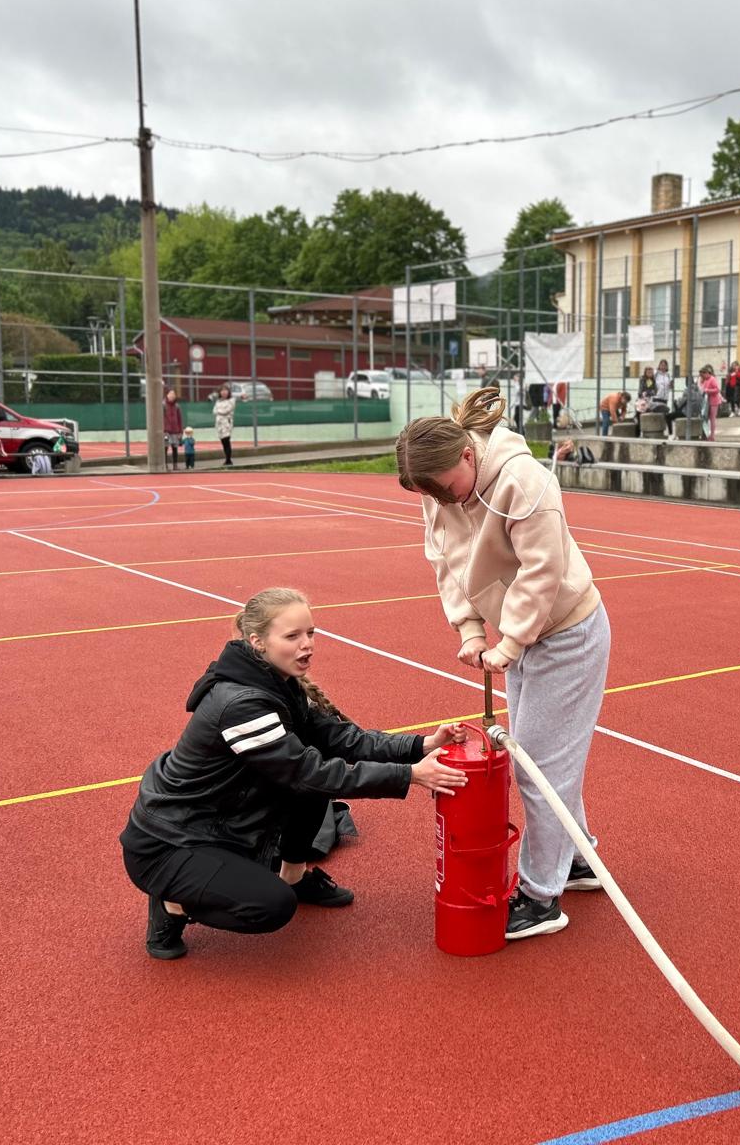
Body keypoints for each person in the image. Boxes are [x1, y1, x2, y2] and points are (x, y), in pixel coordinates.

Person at [120, 587, 469, 960]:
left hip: (218, 821)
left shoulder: (277, 682)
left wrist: (420, 746)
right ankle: (172, 904)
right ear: (258, 642)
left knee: (310, 783)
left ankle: (294, 875)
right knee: (271, 906)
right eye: (292, 636)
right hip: (169, 843)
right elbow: (307, 772)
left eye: (310, 633)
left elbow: (339, 738)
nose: (307, 645)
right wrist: (409, 776)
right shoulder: (241, 704)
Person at [396, 387, 610, 941]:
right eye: (431, 496)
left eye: (446, 489)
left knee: (538, 767)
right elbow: (445, 560)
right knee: (546, 757)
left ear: (468, 455)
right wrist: (470, 629)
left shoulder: (524, 480)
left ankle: (542, 898)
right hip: (525, 635)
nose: (442, 502)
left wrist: (508, 644)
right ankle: (580, 859)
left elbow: (542, 571)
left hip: (567, 633)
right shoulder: (438, 491)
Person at [212, 383, 237, 467]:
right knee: (223, 441)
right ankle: (227, 458)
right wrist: (219, 411)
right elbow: (214, 411)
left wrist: (220, 411)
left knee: (227, 440)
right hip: (219, 424)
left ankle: (228, 459)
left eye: (225, 390)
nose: (224, 392)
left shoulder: (231, 400)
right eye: (222, 391)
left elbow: (226, 410)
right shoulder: (218, 401)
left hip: (227, 422)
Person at [698, 365, 723, 440]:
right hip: (707, 402)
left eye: (703, 375)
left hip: (714, 401)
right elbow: (703, 389)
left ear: (706, 373)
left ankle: (712, 435)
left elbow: (717, 389)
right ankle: (706, 434)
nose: (703, 377)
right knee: (705, 418)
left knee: (712, 419)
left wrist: (708, 390)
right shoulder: (706, 380)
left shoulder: (712, 379)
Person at [163, 389, 184, 470]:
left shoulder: (177, 406)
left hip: (175, 431)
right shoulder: (163, 405)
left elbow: (179, 419)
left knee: (175, 448)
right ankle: (165, 465)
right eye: (170, 394)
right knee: (165, 447)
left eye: (173, 394)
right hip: (166, 431)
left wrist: (180, 431)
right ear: (167, 395)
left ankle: (175, 465)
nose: (172, 396)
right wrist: (163, 429)